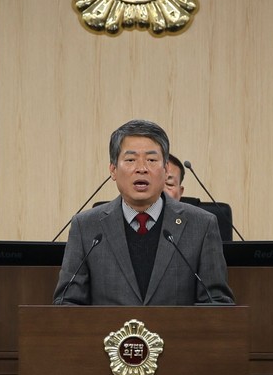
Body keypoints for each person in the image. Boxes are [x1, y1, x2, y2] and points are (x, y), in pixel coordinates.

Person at [52, 119, 234, 305]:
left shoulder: (202, 225)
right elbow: (67, 304)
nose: (141, 169)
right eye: (130, 160)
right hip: (109, 326)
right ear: (113, 170)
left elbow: (216, 304)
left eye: (151, 160)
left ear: (166, 170)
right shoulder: (86, 227)